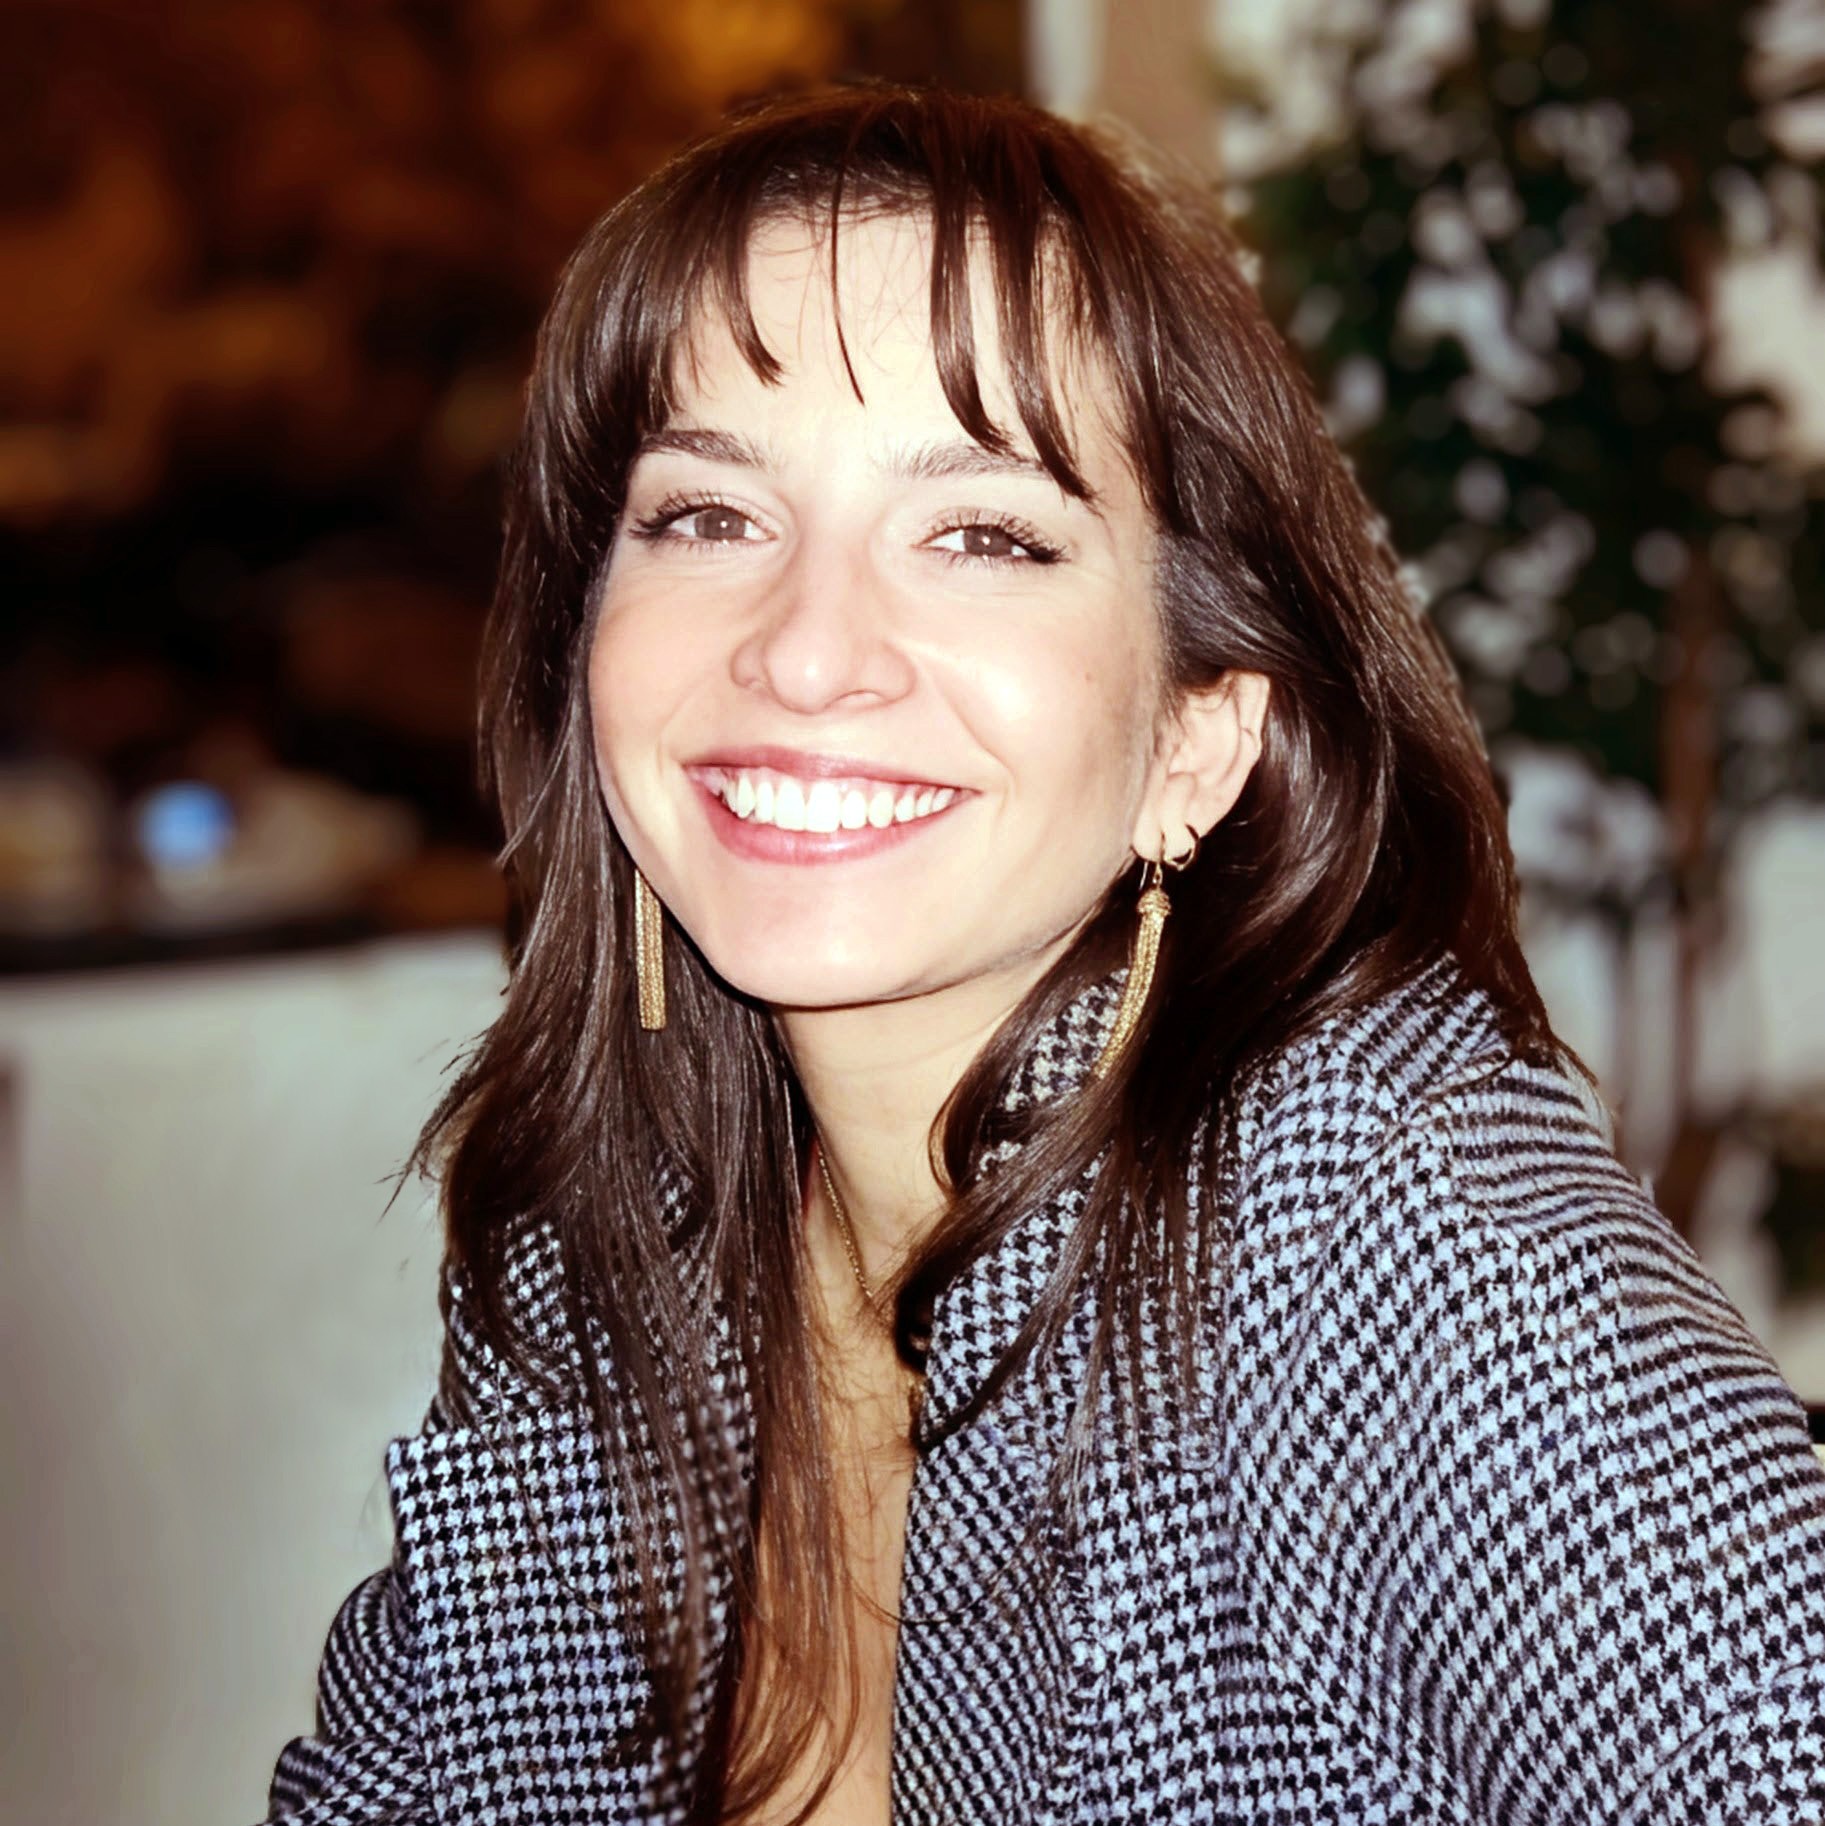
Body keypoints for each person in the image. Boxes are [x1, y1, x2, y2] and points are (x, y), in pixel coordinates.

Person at [262, 83, 1825, 1826]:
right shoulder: (612, 1242)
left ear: (1196, 739)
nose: (805, 649)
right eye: (706, 516)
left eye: (982, 535)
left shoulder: (1371, 1217)